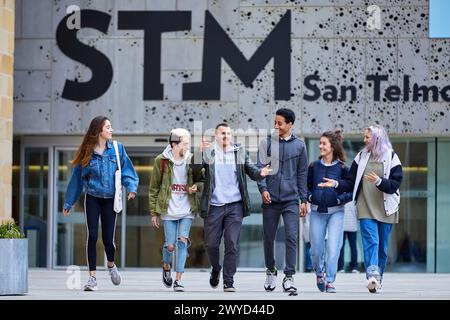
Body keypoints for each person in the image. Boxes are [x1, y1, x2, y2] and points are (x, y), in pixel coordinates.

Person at [319, 124, 403, 293]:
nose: (364, 140)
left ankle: (378, 279)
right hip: (366, 206)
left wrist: (379, 181)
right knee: (371, 240)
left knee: (382, 248)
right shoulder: (361, 156)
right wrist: (336, 183)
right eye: (364, 137)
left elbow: (394, 184)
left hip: (387, 208)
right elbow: (350, 182)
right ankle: (372, 275)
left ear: (377, 139)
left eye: (367, 137)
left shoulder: (392, 157)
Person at [192, 123, 271, 292]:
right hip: (214, 205)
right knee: (211, 244)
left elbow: (251, 170)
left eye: (228, 133)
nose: (226, 136)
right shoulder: (209, 152)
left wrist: (260, 174)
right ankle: (216, 268)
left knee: (231, 244)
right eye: (222, 133)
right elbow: (195, 173)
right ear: (216, 135)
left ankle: (228, 281)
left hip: (235, 205)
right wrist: (199, 154)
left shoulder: (239, 152)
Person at [63, 116, 139, 291]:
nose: (111, 130)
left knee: (108, 240)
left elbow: (127, 170)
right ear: (99, 131)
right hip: (93, 198)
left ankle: (111, 265)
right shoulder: (87, 152)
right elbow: (77, 179)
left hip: (110, 199)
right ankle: (92, 278)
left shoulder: (118, 149)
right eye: (108, 127)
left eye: (111, 127)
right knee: (92, 235)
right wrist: (69, 202)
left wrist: (132, 188)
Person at [257, 108, 308, 293]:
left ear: (290, 124)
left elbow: (302, 173)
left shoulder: (300, 146)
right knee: (268, 237)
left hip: (291, 200)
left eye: (280, 123)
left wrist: (304, 199)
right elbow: (259, 169)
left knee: (291, 237)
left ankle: (289, 276)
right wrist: (263, 189)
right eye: (275, 122)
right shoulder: (267, 143)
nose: (276, 126)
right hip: (270, 200)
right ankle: (271, 270)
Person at [149, 128, 202, 292]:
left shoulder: (192, 159)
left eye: (188, 144)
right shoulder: (161, 161)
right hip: (168, 209)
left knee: (182, 242)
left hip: (187, 209)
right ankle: (166, 266)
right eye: (184, 144)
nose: (187, 147)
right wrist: (154, 212)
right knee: (170, 245)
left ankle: (178, 280)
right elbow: (154, 188)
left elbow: (202, 179)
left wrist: (196, 187)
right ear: (174, 144)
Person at [307, 130, 352, 293]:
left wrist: (339, 199)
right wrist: (310, 197)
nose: (320, 146)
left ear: (332, 146)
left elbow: (351, 190)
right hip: (317, 211)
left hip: (336, 212)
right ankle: (319, 273)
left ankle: (330, 280)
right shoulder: (313, 166)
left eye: (324, 143)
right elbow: (305, 187)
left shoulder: (342, 168)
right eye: (320, 143)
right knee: (316, 249)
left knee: (333, 248)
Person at [337, 202, 359, 273]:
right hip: (352, 226)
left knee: (341, 247)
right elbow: (357, 214)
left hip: (342, 226)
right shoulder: (354, 200)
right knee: (353, 247)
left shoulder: (342, 199)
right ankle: (354, 267)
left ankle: (340, 267)